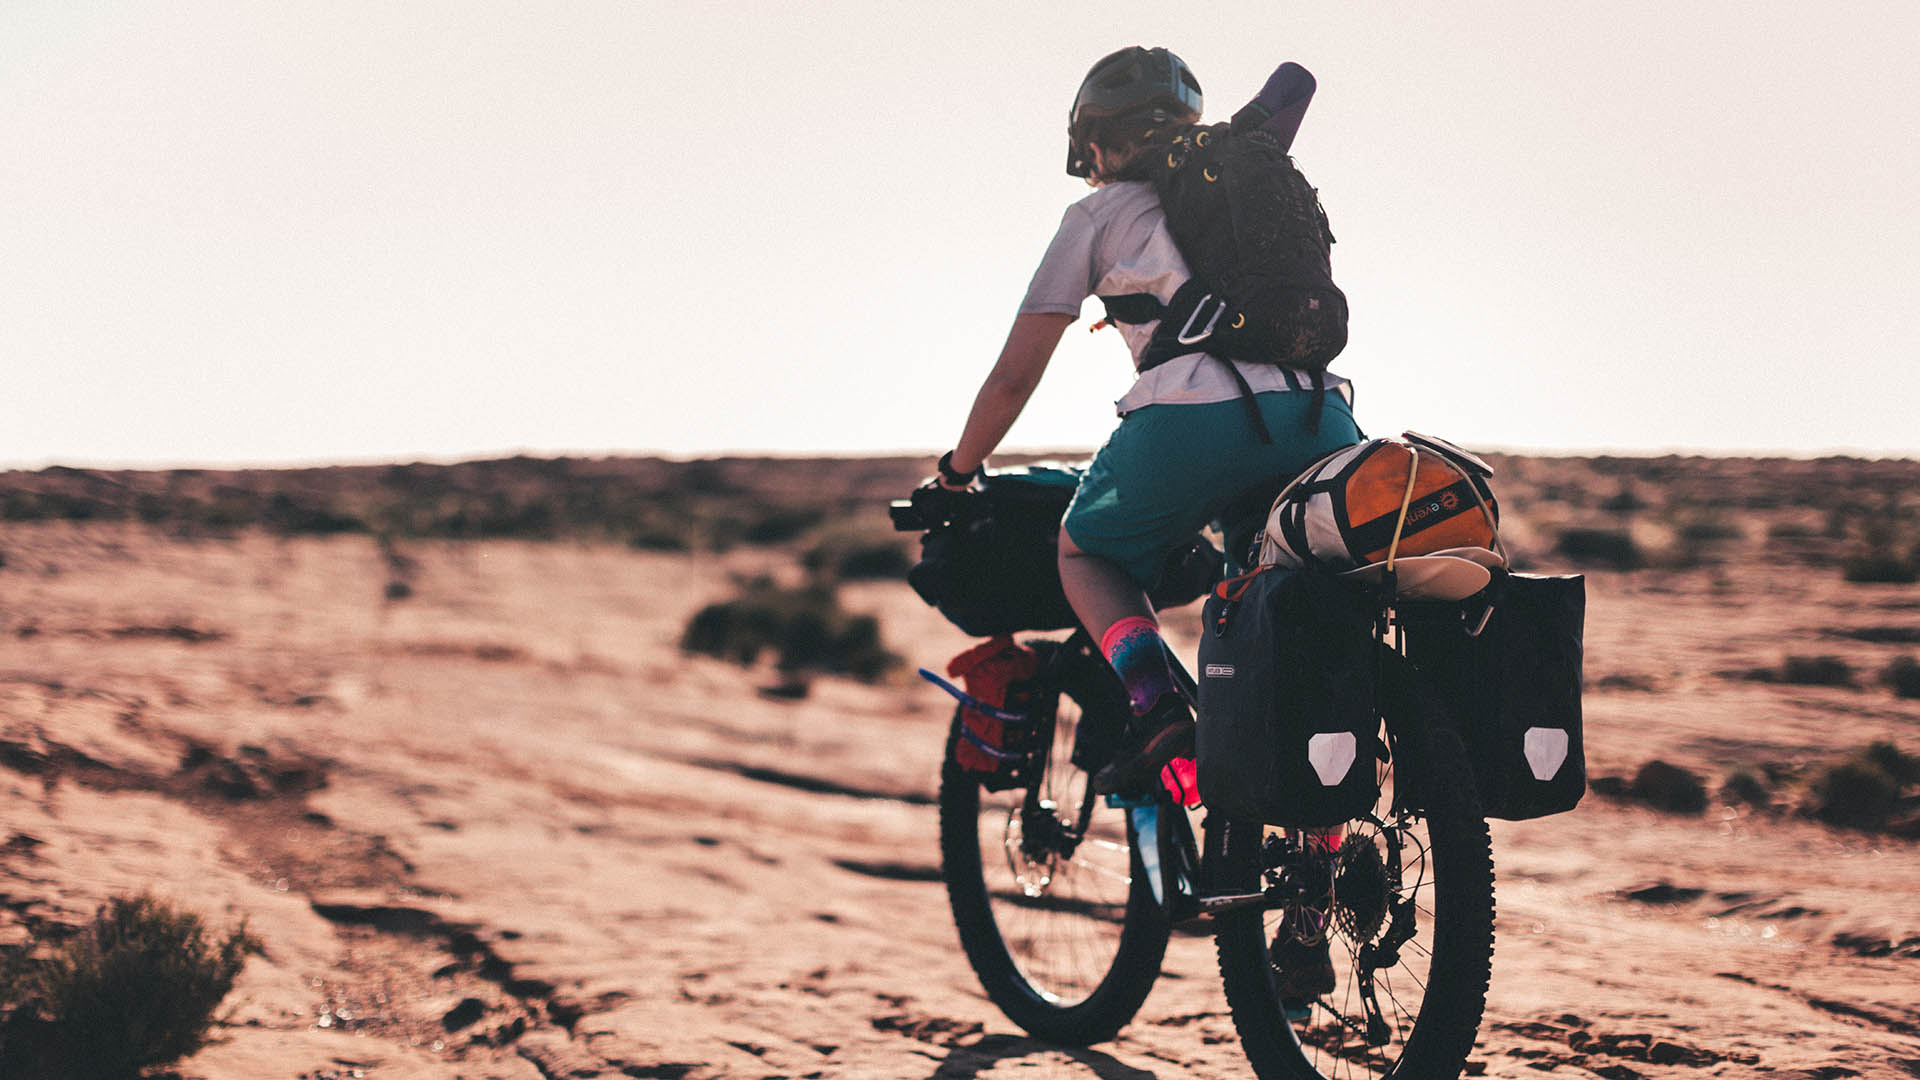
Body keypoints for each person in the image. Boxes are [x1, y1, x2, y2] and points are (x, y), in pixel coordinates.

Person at [932, 47, 1365, 796]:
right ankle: (1316, 853)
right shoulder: (1238, 181)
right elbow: (1300, 77)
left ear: (1096, 142)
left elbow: (1013, 375)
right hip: (1324, 418)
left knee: (1085, 552)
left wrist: (957, 470)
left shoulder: (1097, 213)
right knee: (1268, 624)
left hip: (1192, 420)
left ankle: (1157, 704)